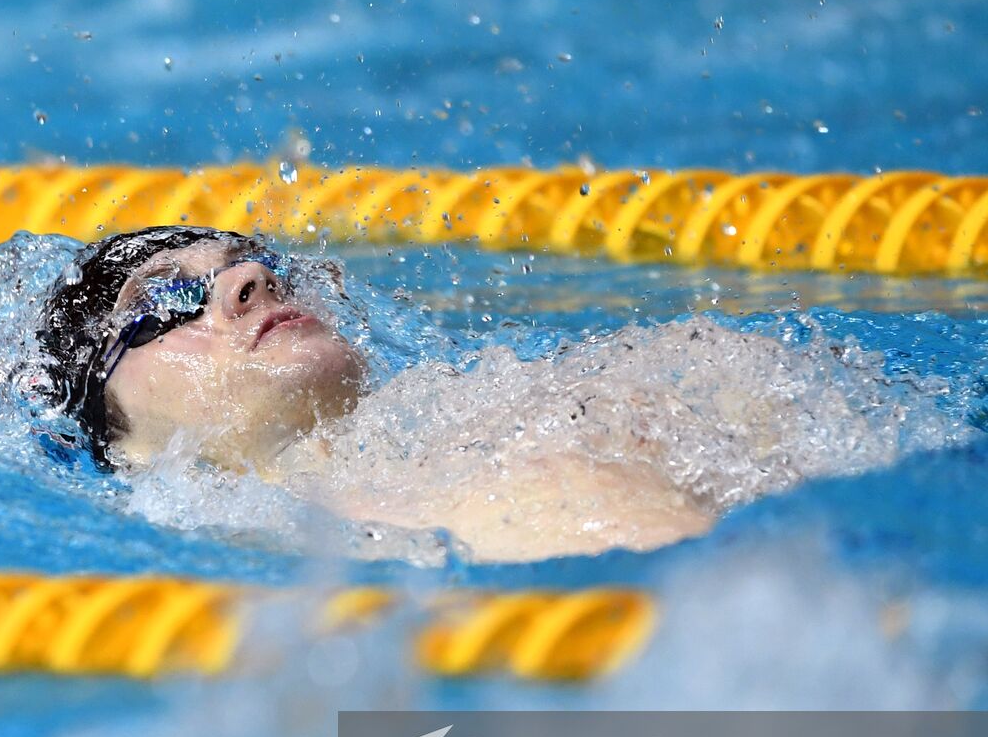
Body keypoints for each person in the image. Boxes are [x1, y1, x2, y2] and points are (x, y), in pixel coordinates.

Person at [36, 225, 714, 562]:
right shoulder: (281, 571)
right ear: (119, 441)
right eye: (168, 297)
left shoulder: (514, 400)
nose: (251, 279)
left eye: (262, 263)